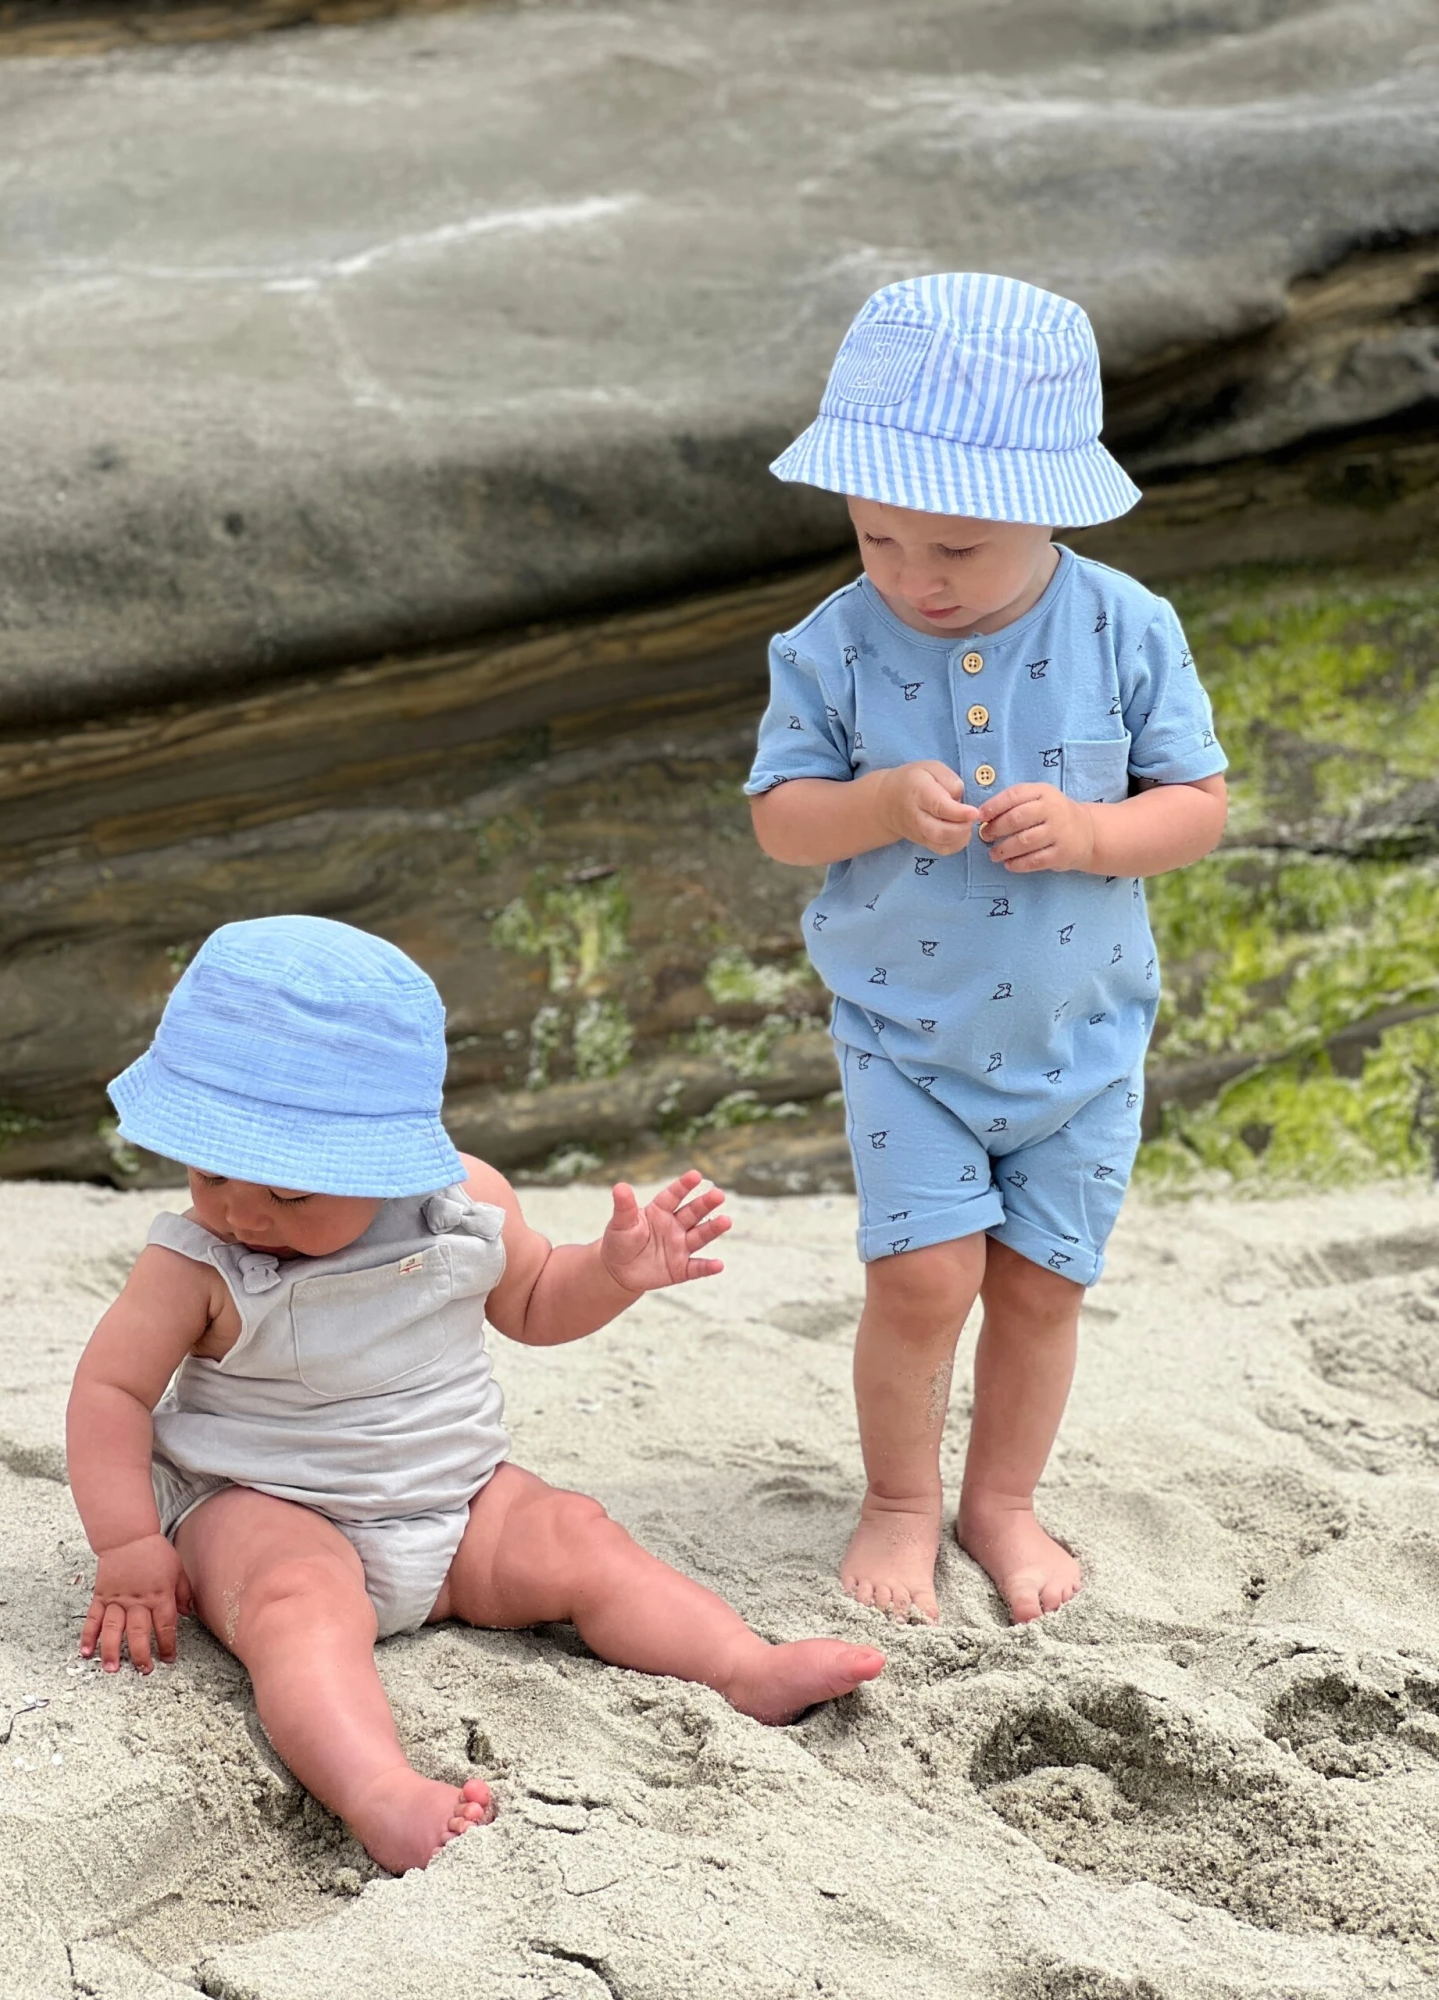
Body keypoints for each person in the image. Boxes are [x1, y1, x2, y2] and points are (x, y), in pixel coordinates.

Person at [66, 916, 884, 1874]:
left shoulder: (463, 1204)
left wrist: (613, 1272)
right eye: (210, 1171)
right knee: (293, 1605)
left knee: (578, 1533)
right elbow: (111, 1389)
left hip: (456, 1505)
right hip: (271, 1507)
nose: (243, 1213)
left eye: (290, 1192)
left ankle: (742, 1667)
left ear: (385, 1156)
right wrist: (127, 1543)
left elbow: (536, 1301)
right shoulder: (197, 1264)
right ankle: (378, 1791)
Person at [746, 272, 1228, 1626]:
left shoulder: (1127, 628)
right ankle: (899, 1501)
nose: (914, 578)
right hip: (907, 1031)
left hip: (1084, 1038)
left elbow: (1197, 811)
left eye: (954, 547)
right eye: (878, 536)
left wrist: (1086, 832)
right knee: (922, 1275)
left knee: (1036, 1288)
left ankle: (999, 1502)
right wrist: (880, 805)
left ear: (1049, 503)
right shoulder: (831, 648)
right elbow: (783, 822)